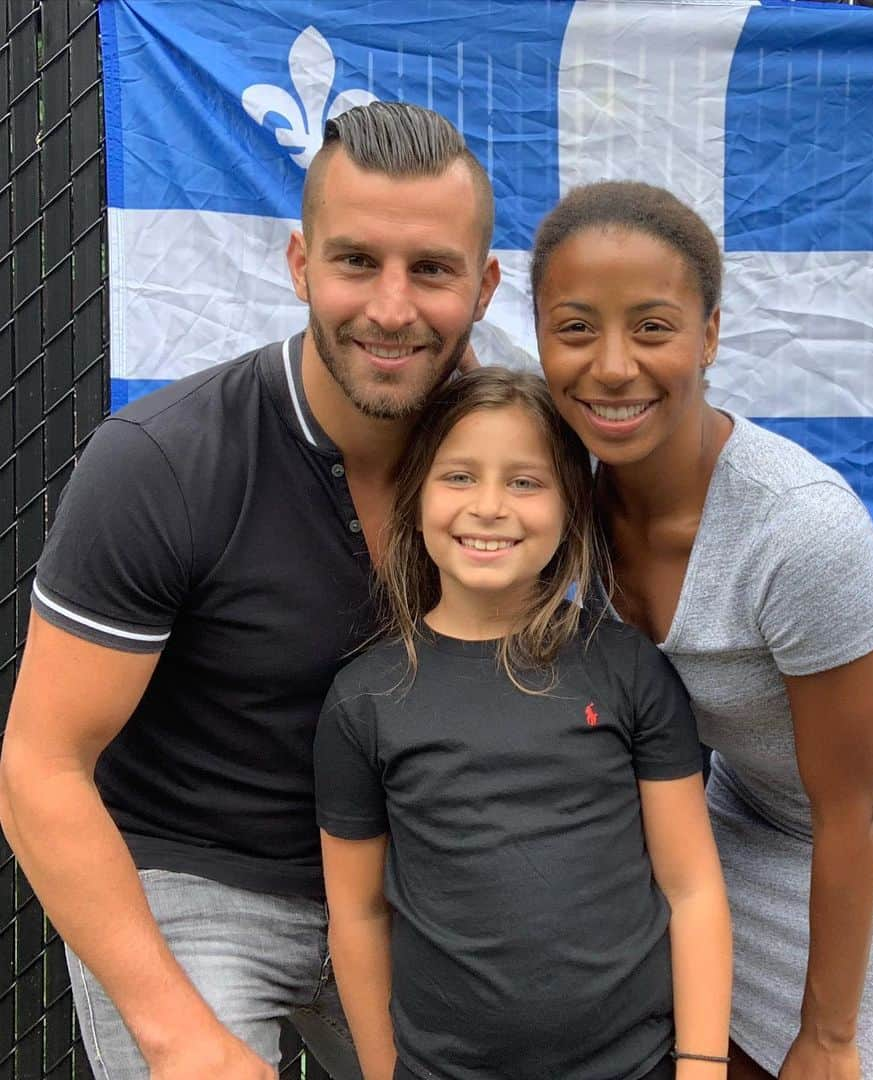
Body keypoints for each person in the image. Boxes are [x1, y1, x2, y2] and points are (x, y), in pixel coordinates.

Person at [0, 101, 500, 1079]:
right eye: (358, 262)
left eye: (432, 270)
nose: (393, 308)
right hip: (195, 883)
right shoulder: (164, 463)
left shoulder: (511, 466)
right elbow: (39, 768)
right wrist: (177, 1035)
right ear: (300, 264)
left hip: (414, 887)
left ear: (483, 286)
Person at [531, 181, 873, 1080]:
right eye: (576, 327)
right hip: (750, 810)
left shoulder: (798, 525)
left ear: (709, 335)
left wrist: (827, 1037)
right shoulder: (554, 498)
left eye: (653, 326)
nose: (613, 365)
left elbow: (852, 808)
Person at [314, 367, 733, 1080]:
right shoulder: (366, 700)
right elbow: (357, 916)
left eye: (525, 482)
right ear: (414, 497)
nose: (489, 507)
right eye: (459, 477)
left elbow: (692, 888)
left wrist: (701, 1067)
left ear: (572, 504)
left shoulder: (629, 670)